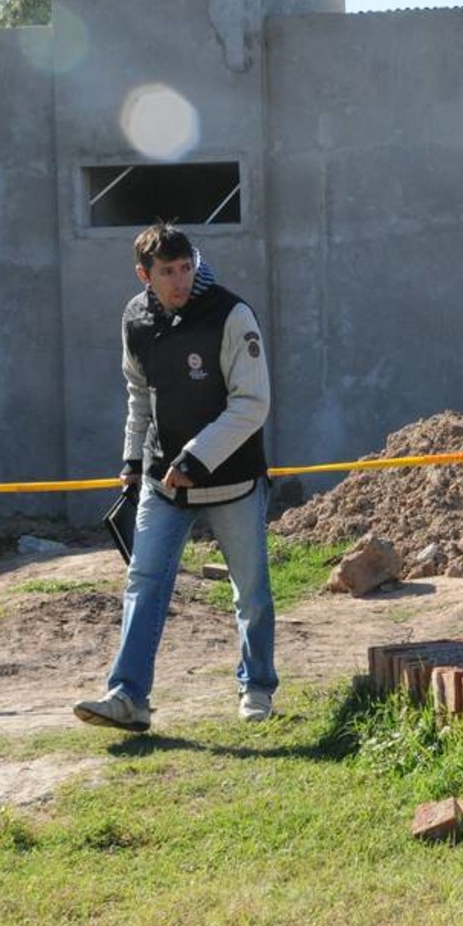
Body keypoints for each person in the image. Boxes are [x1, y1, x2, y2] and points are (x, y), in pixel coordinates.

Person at [74, 223, 276, 732]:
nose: (180, 280)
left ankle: (256, 686)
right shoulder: (135, 318)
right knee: (143, 583)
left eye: (186, 268)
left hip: (232, 480)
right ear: (145, 274)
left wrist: (194, 458)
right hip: (162, 484)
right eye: (167, 272)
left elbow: (253, 404)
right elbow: (138, 395)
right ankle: (128, 698)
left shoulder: (232, 313)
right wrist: (132, 464)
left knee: (250, 591)